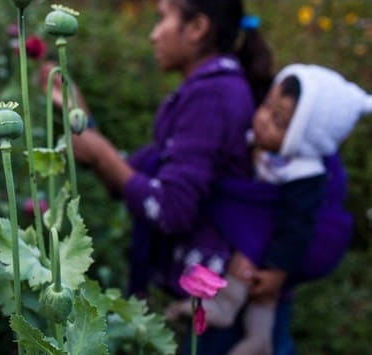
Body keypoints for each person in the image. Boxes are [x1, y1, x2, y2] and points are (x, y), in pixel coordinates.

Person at [57, 0, 274, 353]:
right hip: (195, 300)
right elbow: (138, 175)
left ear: (197, 28)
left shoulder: (213, 95)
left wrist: (100, 154)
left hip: (205, 311)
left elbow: (170, 207)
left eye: (162, 19)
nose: (152, 34)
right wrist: (85, 125)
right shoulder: (208, 88)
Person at [166, 64, 371, 354]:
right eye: (265, 106)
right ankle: (256, 338)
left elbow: (296, 226)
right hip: (253, 256)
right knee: (256, 283)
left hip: (271, 259)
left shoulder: (305, 173)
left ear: (306, 136)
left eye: (278, 119)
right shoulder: (261, 147)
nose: (262, 120)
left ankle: (245, 328)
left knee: (263, 291)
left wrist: (277, 269)